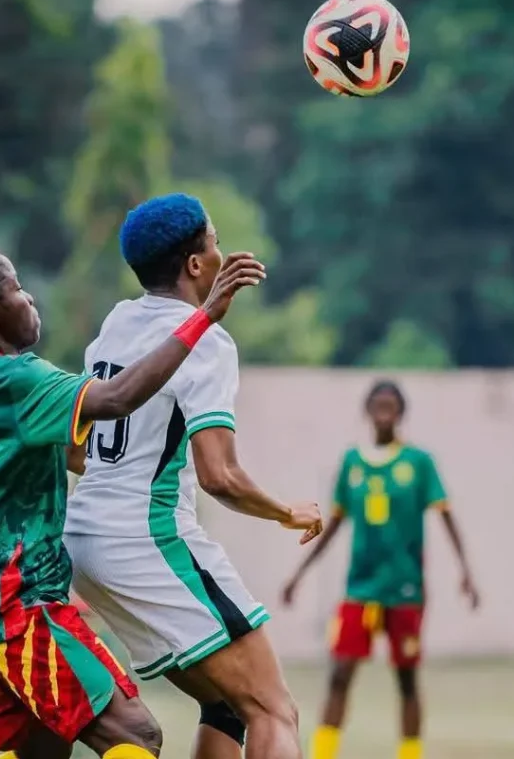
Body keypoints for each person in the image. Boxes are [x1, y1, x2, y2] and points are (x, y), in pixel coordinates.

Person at [0, 244, 263, 759]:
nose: (29, 297)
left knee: (46, 746)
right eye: (15, 287)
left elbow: (71, 451)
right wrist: (204, 317)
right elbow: (116, 398)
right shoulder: (18, 380)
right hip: (7, 602)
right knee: (133, 734)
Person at [64, 193, 322, 759]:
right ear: (196, 264)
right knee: (274, 709)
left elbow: (75, 449)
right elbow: (219, 475)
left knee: (228, 704)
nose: (222, 251)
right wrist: (287, 512)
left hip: (84, 541)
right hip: (144, 539)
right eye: (215, 242)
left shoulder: (117, 322)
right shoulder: (203, 340)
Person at [281, 380, 480, 759]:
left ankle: (409, 754)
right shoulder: (352, 463)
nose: (384, 411)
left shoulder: (419, 463)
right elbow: (336, 523)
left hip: (405, 587)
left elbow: (446, 515)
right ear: (368, 411)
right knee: (340, 674)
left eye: (391, 405)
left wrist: (465, 570)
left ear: (401, 412)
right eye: (378, 404)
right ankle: (324, 753)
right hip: (360, 587)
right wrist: (299, 574)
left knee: (406, 679)